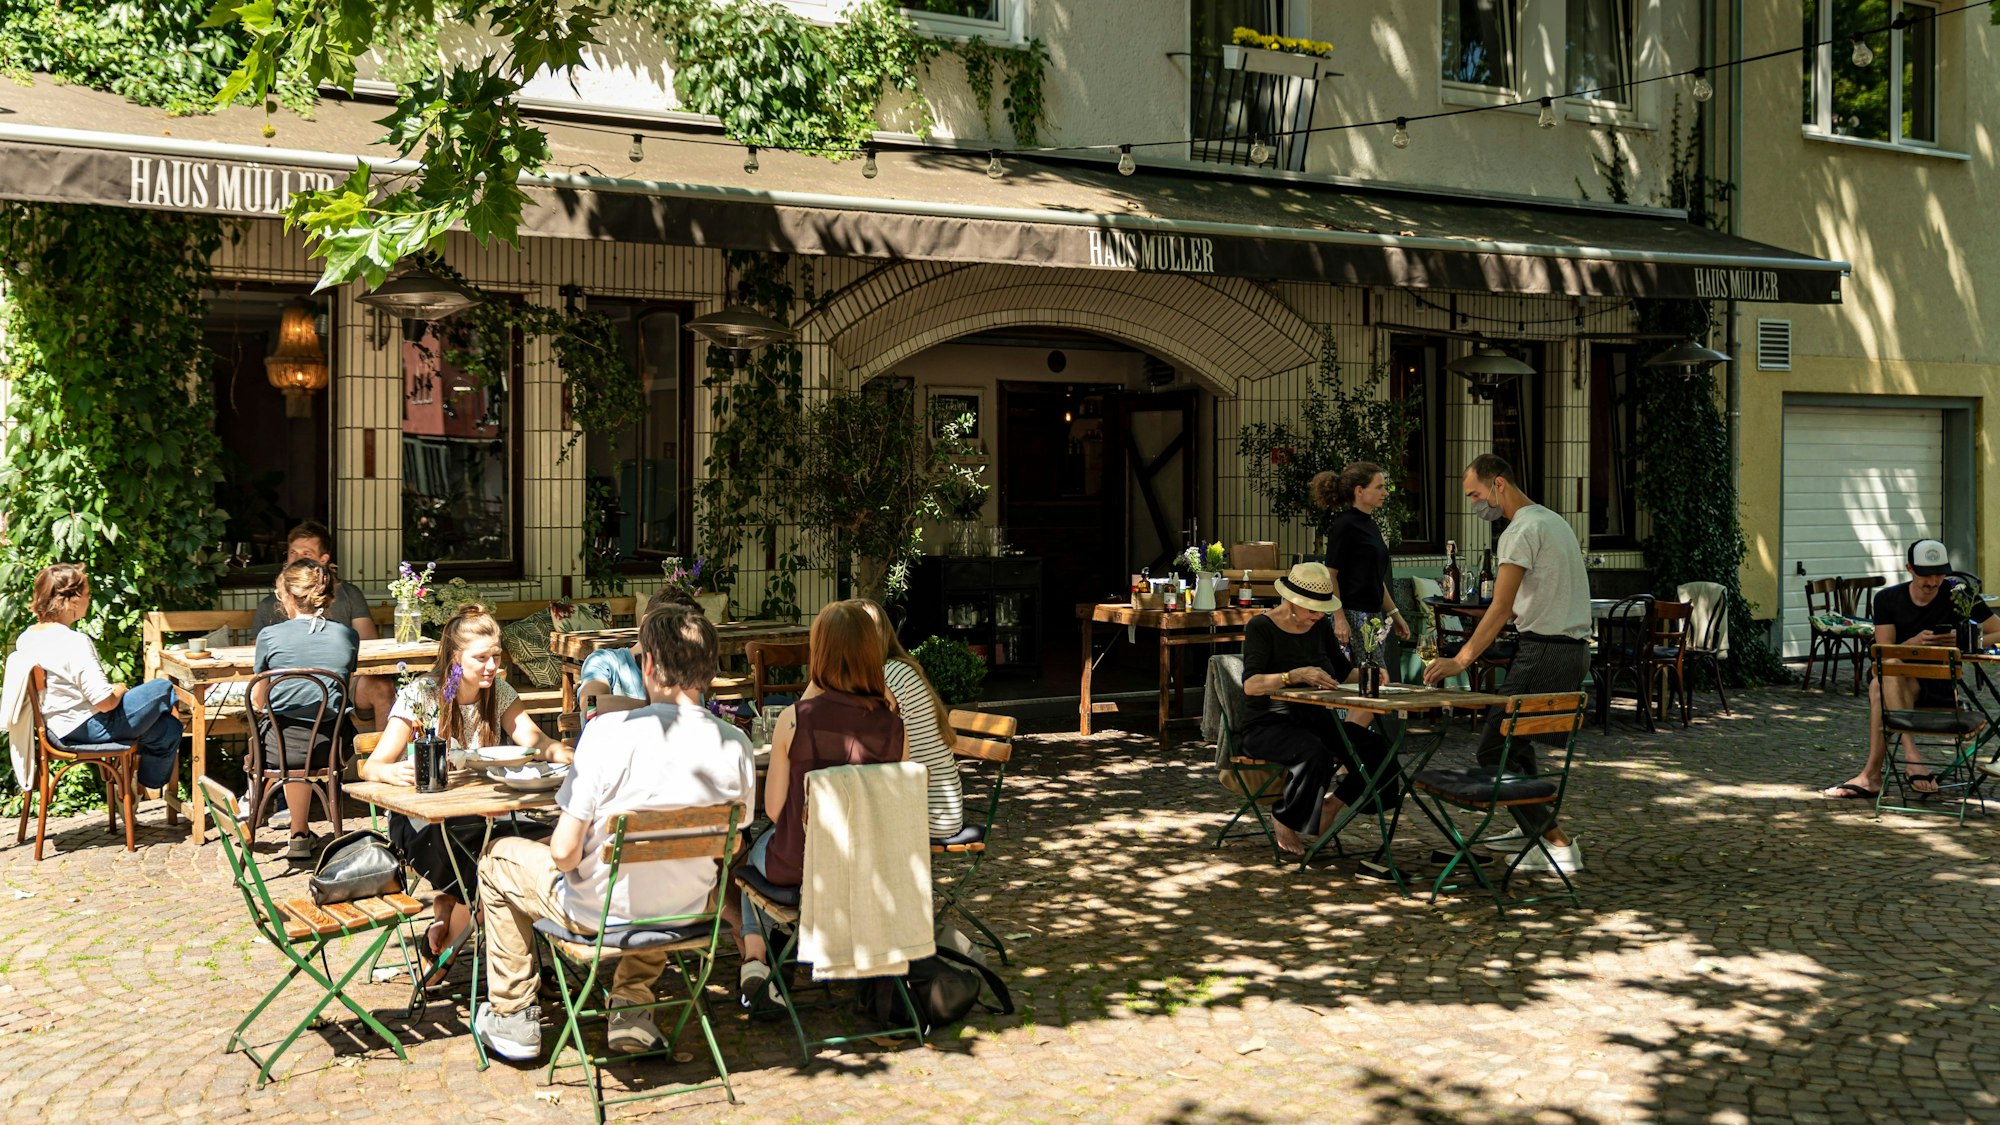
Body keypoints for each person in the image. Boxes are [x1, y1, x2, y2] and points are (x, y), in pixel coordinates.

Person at [472, 607, 756, 1061]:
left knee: (497, 858)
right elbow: (735, 840)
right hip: (687, 908)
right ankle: (631, 1009)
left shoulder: (608, 733)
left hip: (598, 914)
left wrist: (568, 854)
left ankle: (512, 1014)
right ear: (710, 668)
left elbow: (564, 854)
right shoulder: (735, 743)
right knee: (658, 877)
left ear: (648, 664)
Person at [358, 605, 573, 983]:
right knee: (497, 870)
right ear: (456, 658)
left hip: (486, 815)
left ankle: (448, 926)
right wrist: (390, 772)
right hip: (425, 824)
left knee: (542, 844)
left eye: (496, 657)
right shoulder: (422, 694)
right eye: (481, 658)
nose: (492, 666)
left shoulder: (499, 692)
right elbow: (371, 766)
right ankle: (514, 966)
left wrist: (569, 754)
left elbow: (535, 740)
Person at [728, 600, 906, 1012]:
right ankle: (769, 957)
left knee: (749, 853)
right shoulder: (893, 725)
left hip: (804, 867)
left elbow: (775, 810)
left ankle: (756, 959)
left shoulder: (796, 720)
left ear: (819, 652)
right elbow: (897, 804)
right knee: (764, 850)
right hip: (870, 870)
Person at [1422, 454, 1592, 873]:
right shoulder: (1553, 521)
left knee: (1494, 748)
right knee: (1516, 743)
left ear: (1498, 484)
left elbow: (1500, 608)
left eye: (1475, 495)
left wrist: (1460, 660)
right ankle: (1531, 828)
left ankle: (1557, 844)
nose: (1474, 505)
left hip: (1544, 650)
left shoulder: (1519, 531)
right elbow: (1527, 599)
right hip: (1571, 650)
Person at [1238, 562, 1396, 860]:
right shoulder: (1261, 627)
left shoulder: (1319, 627)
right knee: (1315, 753)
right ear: (1291, 601)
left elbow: (1344, 674)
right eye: (1312, 609)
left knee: (1377, 749)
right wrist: (1294, 675)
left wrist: (1370, 673)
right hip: (1268, 724)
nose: (1318, 615)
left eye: (1322, 610)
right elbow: (1251, 685)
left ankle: (1332, 804)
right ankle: (1285, 817)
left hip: (1317, 721)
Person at [1822, 538, 1999, 801]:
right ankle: (1911, 758)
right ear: (1910, 569)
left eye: (1939, 574)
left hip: (1939, 686)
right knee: (1890, 669)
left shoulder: (1958, 593)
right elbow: (1883, 653)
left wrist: (1965, 640)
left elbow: (1998, 630)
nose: (1933, 582)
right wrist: (1913, 644)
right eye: (1926, 574)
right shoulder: (1888, 599)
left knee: (1878, 686)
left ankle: (1873, 775)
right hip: (1898, 677)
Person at [13, 563, 181, 792]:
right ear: (72, 601)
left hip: (56, 727)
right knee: (162, 688)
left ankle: (135, 788)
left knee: (168, 727)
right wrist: (119, 689)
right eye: (87, 594)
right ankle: (139, 787)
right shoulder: (73, 642)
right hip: (89, 726)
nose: (89, 599)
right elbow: (105, 703)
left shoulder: (26, 638)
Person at [249, 558, 359, 863]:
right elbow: (341, 687)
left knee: (278, 728)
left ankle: (296, 833)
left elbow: (258, 700)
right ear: (328, 596)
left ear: (286, 595)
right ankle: (317, 834)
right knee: (319, 723)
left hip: (278, 751)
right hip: (329, 747)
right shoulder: (347, 636)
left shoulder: (269, 636)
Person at [251, 522, 393, 732]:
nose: (297, 559)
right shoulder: (268, 605)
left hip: (341, 680)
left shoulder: (349, 594)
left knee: (382, 687)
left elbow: (369, 644)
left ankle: (383, 753)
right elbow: (256, 659)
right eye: (292, 553)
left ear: (323, 559)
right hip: (287, 684)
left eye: (306, 553)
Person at [856, 599, 964, 840]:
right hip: (923, 805)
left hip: (930, 813)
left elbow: (869, 748)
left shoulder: (890, 676)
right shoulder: (887, 671)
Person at [1315, 461, 1412, 662]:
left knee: (1374, 674)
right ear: (1359, 491)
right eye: (1379, 487)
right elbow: (1330, 574)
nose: (1385, 493)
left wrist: (1395, 615)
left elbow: (1374, 578)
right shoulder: (1344, 525)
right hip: (1352, 615)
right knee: (1372, 675)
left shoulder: (1370, 525)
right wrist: (1339, 618)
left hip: (1374, 615)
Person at [573, 586, 704, 714]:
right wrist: (662, 708)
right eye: (670, 628)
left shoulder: (685, 672)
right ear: (646, 622)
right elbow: (590, 706)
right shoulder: (604, 661)